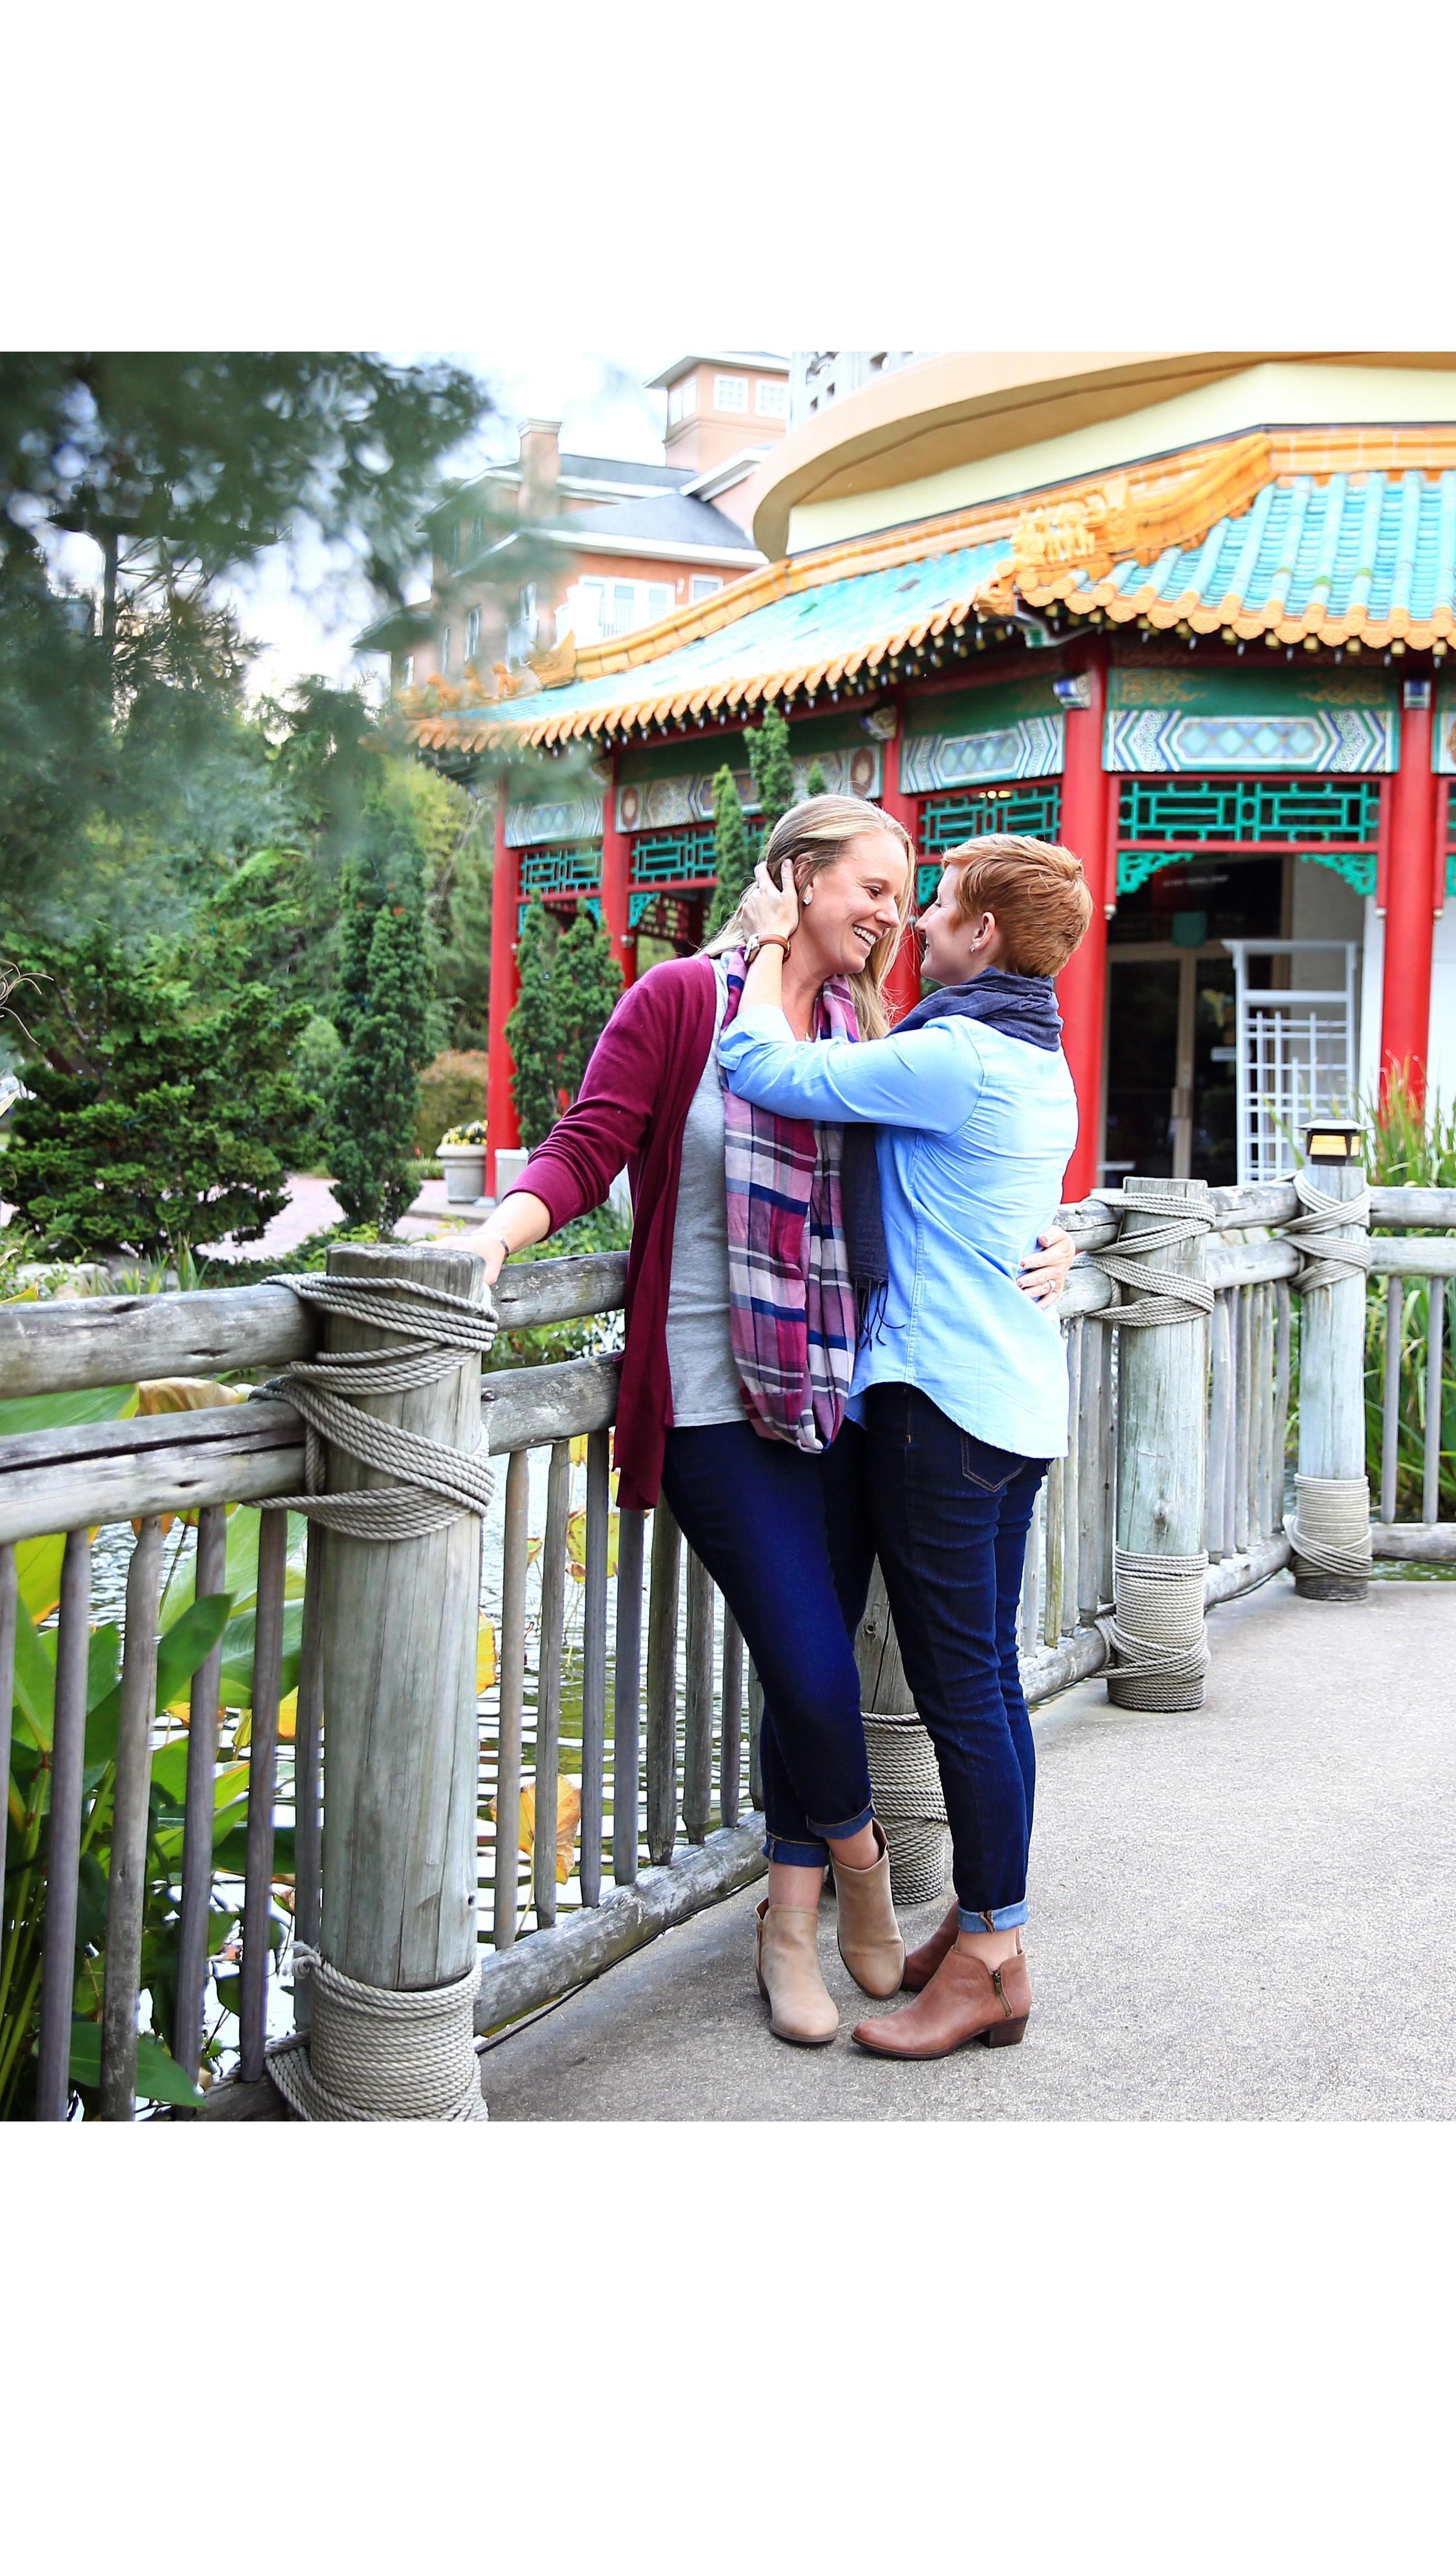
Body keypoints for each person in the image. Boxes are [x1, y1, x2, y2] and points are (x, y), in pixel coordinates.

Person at [448, 795, 1074, 2046]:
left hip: (837, 1391)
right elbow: (585, 1145)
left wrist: (1056, 1244)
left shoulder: (868, 1024)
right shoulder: (685, 998)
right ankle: (857, 1867)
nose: (895, 913)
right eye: (875, 886)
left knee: (827, 1669)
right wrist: (484, 1240)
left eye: (912, 894)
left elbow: (952, 1184)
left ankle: (786, 1924)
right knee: (808, 1666)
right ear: (793, 881)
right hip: (706, 1395)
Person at [717, 832, 1092, 2059]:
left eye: (934, 906)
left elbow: (762, 1062)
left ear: (983, 935)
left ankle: (987, 1956)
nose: (917, 923)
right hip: (1011, 1402)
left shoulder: (953, 1056)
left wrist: (771, 947)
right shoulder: (1042, 1060)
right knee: (985, 1684)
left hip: (939, 1405)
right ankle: (990, 1928)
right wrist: (1067, 1241)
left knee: (961, 1695)